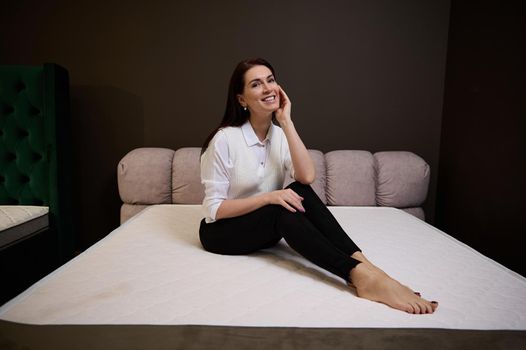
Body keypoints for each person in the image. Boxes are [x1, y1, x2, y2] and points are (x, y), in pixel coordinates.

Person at [199, 58, 438, 314]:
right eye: (256, 84)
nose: (268, 88)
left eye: (271, 80)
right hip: (221, 233)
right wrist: (269, 198)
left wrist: (287, 122)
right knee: (281, 207)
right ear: (242, 99)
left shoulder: (278, 135)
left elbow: (306, 177)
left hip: (262, 226)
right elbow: (215, 209)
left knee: (300, 192)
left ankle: (368, 267)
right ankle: (358, 276)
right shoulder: (225, 140)